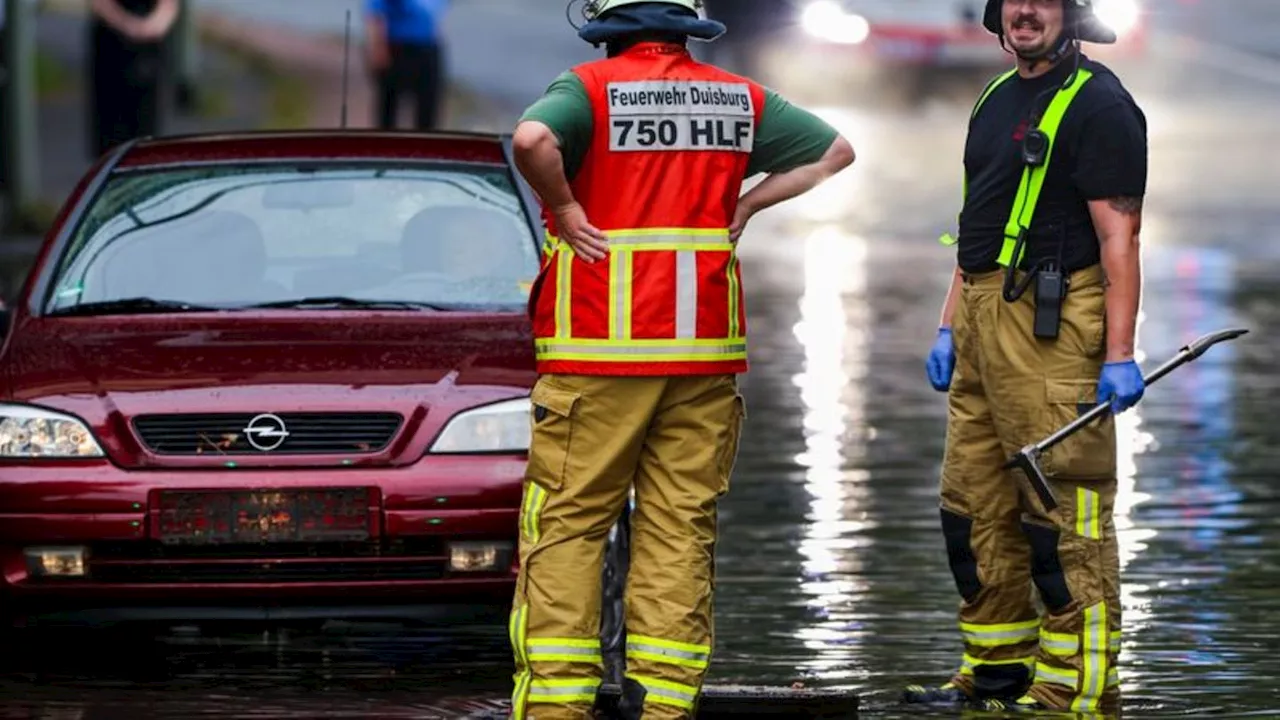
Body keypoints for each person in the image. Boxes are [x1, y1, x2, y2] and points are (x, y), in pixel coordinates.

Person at [506, 1, 855, 718]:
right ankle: (665, 705)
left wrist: (566, 210)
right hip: (703, 354)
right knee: (679, 526)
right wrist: (752, 203)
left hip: (598, 349)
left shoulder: (590, 88)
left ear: (607, 21)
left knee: (570, 524)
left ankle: (557, 707)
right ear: (687, 24)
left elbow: (533, 138)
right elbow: (835, 152)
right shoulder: (736, 95)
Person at [906, 0, 1147, 714]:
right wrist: (948, 325)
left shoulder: (1101, 105)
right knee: (973, 507)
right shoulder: (993, 96)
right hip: (981, 320)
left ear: (1071, 15)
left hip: (1052, 334)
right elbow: (975, 222)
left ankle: (1078, 693)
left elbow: (1120, 241)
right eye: (1013, 0)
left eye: (1042, 1)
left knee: (1062, 518)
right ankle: (996, 674)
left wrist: (1120, 354)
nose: (1024, 12)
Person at [86, 0, 179, 159]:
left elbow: (169, 5)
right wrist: (132, 26)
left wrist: (150, 27)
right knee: (112, 123)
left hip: (148, 46)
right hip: (113, 46)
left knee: (146, 122)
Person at [364, 0, 449, 130]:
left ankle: (426, 145)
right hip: (396, 46)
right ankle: (385, 145)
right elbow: (375, 13)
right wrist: (377, 47)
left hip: (428, 46)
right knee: (389, 104)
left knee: (428, 105)